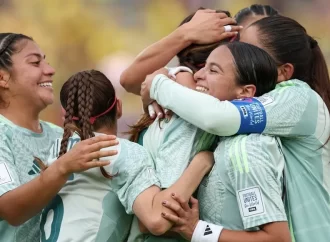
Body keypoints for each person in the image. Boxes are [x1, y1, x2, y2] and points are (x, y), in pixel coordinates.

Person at [140, 15, 330, 242]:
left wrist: (159, 85)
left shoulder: (297, 97)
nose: (235, 50)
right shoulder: (237, 130)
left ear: (282, 72)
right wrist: (170, 76)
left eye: (249, 49)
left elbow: (217, 116)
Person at [40, 69, 215, 242]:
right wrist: (202, 161)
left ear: (68, 117)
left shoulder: (57, 149)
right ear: (118, 107)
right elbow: (156, 221)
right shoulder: (121, 152)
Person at [0, 33, 118, 242]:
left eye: (45, 60)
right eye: (36, 62)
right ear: (2, 78)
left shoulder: (60, 135)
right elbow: (10, 210)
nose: (50, 69)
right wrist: (62, 167)